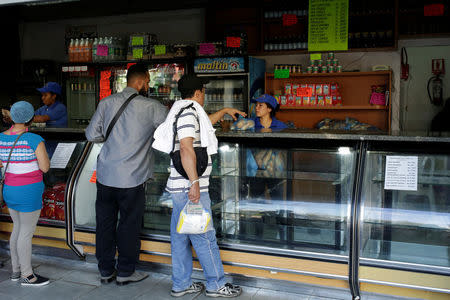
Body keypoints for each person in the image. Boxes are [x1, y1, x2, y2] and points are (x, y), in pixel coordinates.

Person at [152, 74, 245, 298]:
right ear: (197, 93)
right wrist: (194, 183)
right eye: (203, 91)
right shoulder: (188, 114)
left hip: (181, 188)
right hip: (190, 189)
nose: (204, 94)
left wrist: (223, 111)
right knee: (204, 237)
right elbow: (186, 148)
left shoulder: (185, 111)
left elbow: (199, 128)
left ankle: (181, 284)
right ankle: (216, 284)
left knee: (180, 238)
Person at [85, 63, 167, 286]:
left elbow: (92, 135)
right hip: (133, 178)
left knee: (105, 224)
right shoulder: (152, 107)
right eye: (148, 82)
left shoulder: (106, 102)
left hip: (105, 176)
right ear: (140, 82)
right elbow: (172, 131)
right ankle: (125, 272)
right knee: (129, 224)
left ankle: (105, 271)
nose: (148, 85)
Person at [0, 101, 50, 286]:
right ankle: (27, 276)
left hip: (10, 190)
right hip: (29, 192)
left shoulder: (0, 138)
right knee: (25, 233)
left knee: (17, 229)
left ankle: (15, 271)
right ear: (30, 118)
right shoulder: (34, 140)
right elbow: (45, 168)